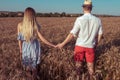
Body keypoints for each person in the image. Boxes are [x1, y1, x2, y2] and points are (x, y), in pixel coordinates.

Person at [57, 0, 103, 79]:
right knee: (91, 69)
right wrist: (96, 44)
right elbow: (100, 34)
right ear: (91, 8)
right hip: (90, 47)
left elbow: (72, 34)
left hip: (79, 47)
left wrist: (62, 44)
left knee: (78, 68)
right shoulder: (98, 20)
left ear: (83, 8)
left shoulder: (79, 19)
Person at [17, 7, 55, 80]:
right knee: (34, 68)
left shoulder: (19, 25)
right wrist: (52, 45)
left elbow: (19, 40)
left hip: (25, 48)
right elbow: (42, 38)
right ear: (33, 15)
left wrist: (21, 50)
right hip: (34, 48)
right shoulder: (35, 25)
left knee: (27, 68)